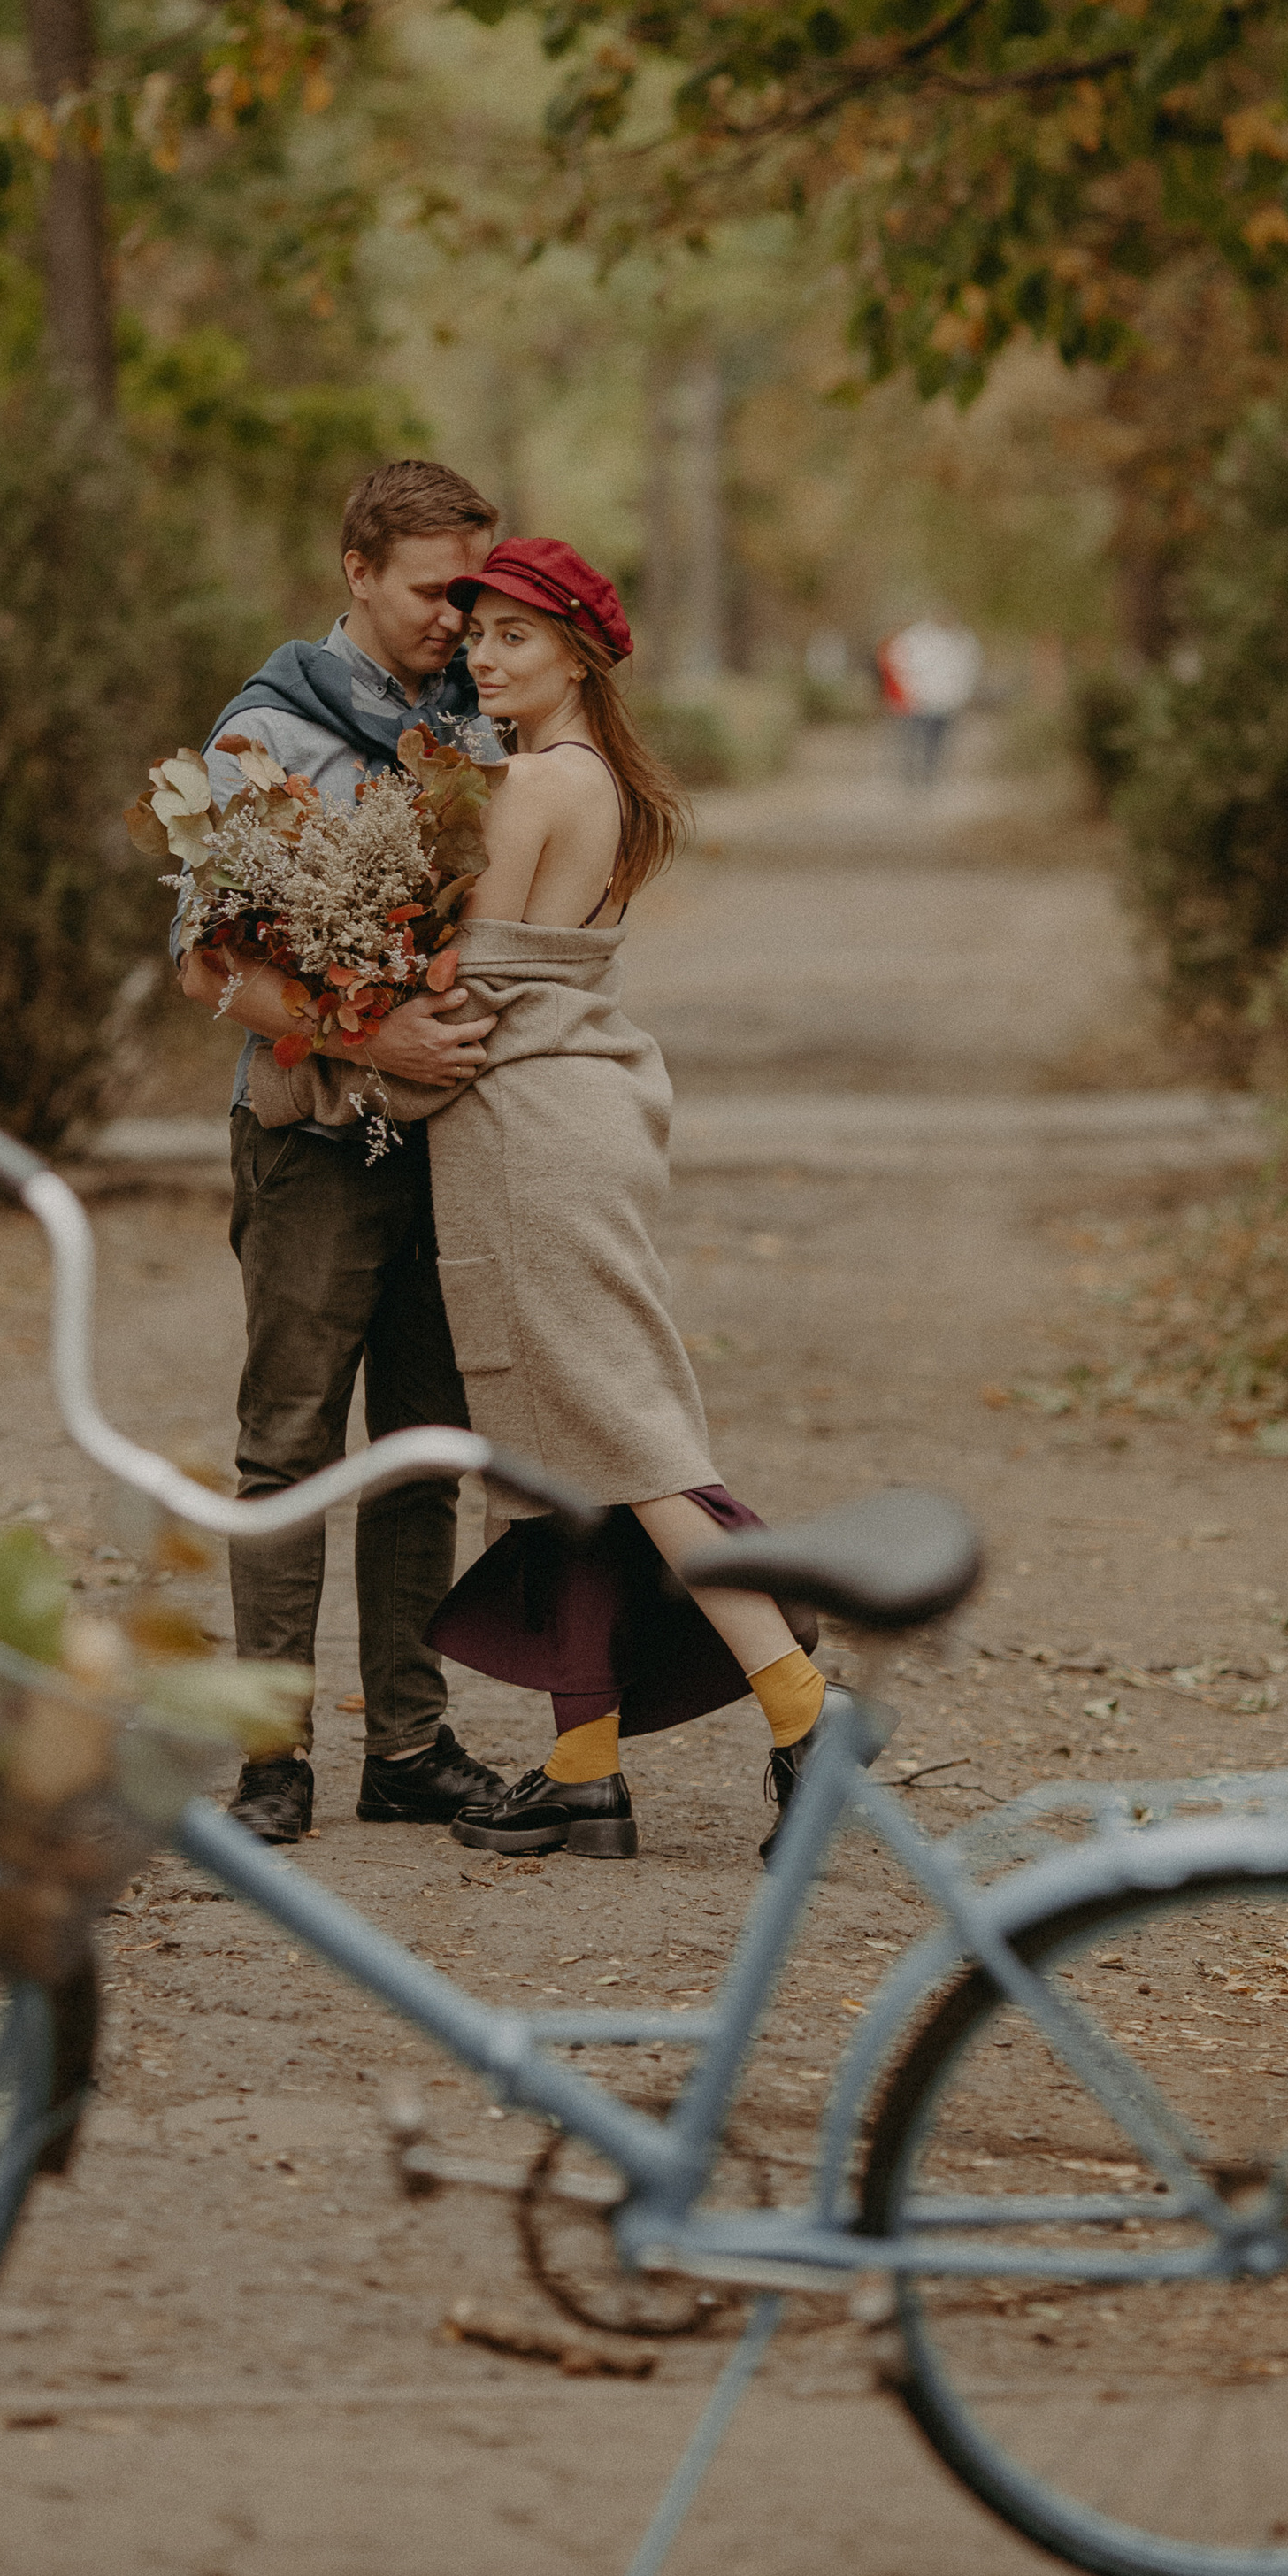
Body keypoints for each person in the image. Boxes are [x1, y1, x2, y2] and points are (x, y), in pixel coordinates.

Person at [410, 535, 829, 1865]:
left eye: (512, 637)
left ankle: (807, 1717)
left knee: (627, 1439)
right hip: (554, 1120)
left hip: (534, 1133)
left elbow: (463, 987)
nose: (483, 657)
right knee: (555, 1459)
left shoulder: (535, 783)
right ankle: (583, 1767)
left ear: (579, 651)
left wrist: (349, 1003)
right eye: (474, 635)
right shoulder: (598, 783)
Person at [174, 459, 512, 1845]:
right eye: (437, 593)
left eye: (473, 594)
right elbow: (208, 972)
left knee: (427, 1447)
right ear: (359, 572)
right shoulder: (263, 736)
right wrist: (377, 1044)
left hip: (453, 1148)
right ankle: (270, 1761)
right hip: (311, 1146)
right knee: (292, 1450)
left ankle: (409, 1745)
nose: (457, 620)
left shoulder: (483, 720)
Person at [877, 613, 983, 788]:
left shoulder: (963, 640)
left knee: (936, 741)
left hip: (947, 702)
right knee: (913, 739)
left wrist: (960, 694)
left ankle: (929, 774)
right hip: (919, 701)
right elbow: (899, 663)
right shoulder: (917, 638)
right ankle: (911, 775)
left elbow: (969, 670)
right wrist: (910, 691)